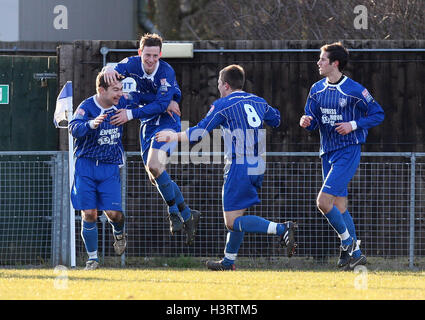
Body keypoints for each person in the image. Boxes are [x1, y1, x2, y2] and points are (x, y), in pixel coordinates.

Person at [156, 64, 298, 271]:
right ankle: (228, 261)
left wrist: (173, 135)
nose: (219, 88)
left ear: (225, 85)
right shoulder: (258, 101)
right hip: (257, 164)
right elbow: (276, 119)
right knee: (237, 216)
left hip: (239, 165)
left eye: (219, 84)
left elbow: (199, 132)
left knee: (232, 222)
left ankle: (282, 228)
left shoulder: (223, 104)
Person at [104, 33, 201, 246]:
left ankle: (173, 211)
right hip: (147, 125)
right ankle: (187, 213)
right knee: (154, 173)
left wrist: (132, 112)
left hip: (167, 123)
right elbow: (113, 71)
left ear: (160, 55)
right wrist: (108, 70)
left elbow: (160, 105)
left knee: (154, 166)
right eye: (147, 55)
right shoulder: (130, 64)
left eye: (155, 56)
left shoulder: (166, 72)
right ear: (140, 53)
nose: (150, 60)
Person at [299, 42, 385, 270]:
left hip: (348, 150)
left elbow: (378, 114)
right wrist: (306, 122)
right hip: (326, 152)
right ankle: (353, 254)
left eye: (322, 59)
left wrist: (353, 124)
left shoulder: (355, 90)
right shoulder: (316, 89)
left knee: (323, 202)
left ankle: (348, 244)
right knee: (339, 206)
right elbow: (313, 119)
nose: (318, 62)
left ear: (335, 63)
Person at [69, 72, 135, 270]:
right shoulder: (86, 106)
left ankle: (119, 232)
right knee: (89, 213)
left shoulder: (123, 102)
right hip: (86, 165)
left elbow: (146, 103)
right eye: (115, 90)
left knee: (114, 214)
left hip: (109, 166)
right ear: (101, 90)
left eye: (121, 89)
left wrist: (169, 102)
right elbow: (73, 128)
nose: (120, 93)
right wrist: (91, 123)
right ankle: (92, 259)